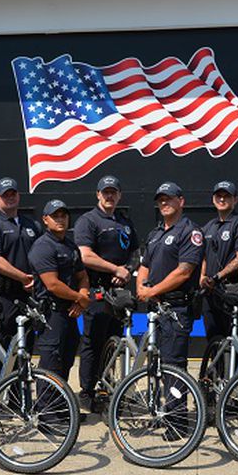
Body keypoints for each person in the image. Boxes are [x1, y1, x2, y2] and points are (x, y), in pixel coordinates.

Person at [73, 175, 137, 411]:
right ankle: (87, 391)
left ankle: (107, 387)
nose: (109, 196)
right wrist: (114, 269)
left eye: (113, 192)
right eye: (105, 192)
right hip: (97, 291)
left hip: (119, 292)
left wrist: (126, 271)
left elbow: (136, 253)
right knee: (93, 342)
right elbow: (85, 255)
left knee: (114, 342)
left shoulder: (124, 222)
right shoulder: (88, 221)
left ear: (119, 195)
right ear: (98, 195)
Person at [136, 182, 204, 371]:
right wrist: (141, 288)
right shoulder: (155, 233)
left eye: (169, 199)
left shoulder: (190, 231)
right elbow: (144, 266)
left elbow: (184, 271)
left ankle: (175, 394)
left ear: (181, 201)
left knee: (172, 366)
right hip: (155, 307)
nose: (164, 203)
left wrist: (152, 291)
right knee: (154, 364)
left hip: (177, 309)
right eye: (161, 200)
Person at [27, 199, 90, 386]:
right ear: (45, 219)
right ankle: (46, 404)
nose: (60, 219)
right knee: (51, 365)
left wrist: (81, 298)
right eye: (55, 216)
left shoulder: (71, 246)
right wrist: (80, 297)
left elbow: (82, 276)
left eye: (63, 215)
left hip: (70, 312)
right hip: (51, 315)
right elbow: (52, 284)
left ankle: (62, 403)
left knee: (66, 361)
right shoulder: (43, 247)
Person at [0, 176, 41, 341]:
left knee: (27, 343)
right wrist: (23, 278)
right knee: (4, 343)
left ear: (18, 196)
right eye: (5, 195)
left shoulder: (31, 224)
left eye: (13, 194)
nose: (10, 198)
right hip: (4, 296)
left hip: (29, 294)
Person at [199, 180, 238, 342]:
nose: (222, 199)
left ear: (235, 200)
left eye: (226, 196)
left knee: (234, 340)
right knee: (213, 340)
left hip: (231, 291)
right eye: (218, 196)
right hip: (210, 292)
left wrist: (218, 276)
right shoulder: (209, 226)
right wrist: (202, 276)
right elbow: (203, 256)